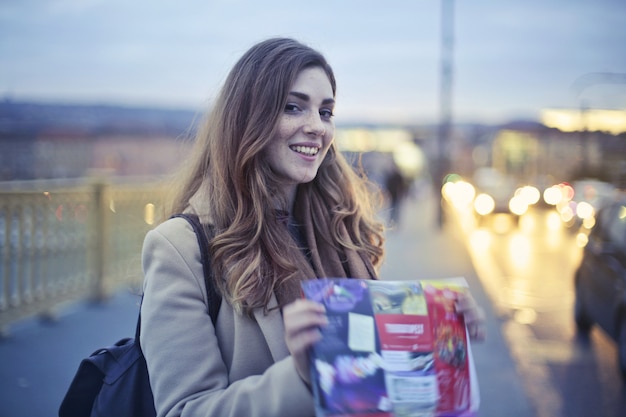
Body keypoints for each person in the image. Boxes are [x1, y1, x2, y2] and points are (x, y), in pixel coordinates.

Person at [140, 37, 486, 417]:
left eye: (325, 112)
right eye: (293, 108)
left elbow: (370, 374)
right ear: (247, 118)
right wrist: (305, 375)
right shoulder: (179, 247)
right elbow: (185, 410)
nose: (316, 127)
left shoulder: (339, 228)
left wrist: (436, 332)